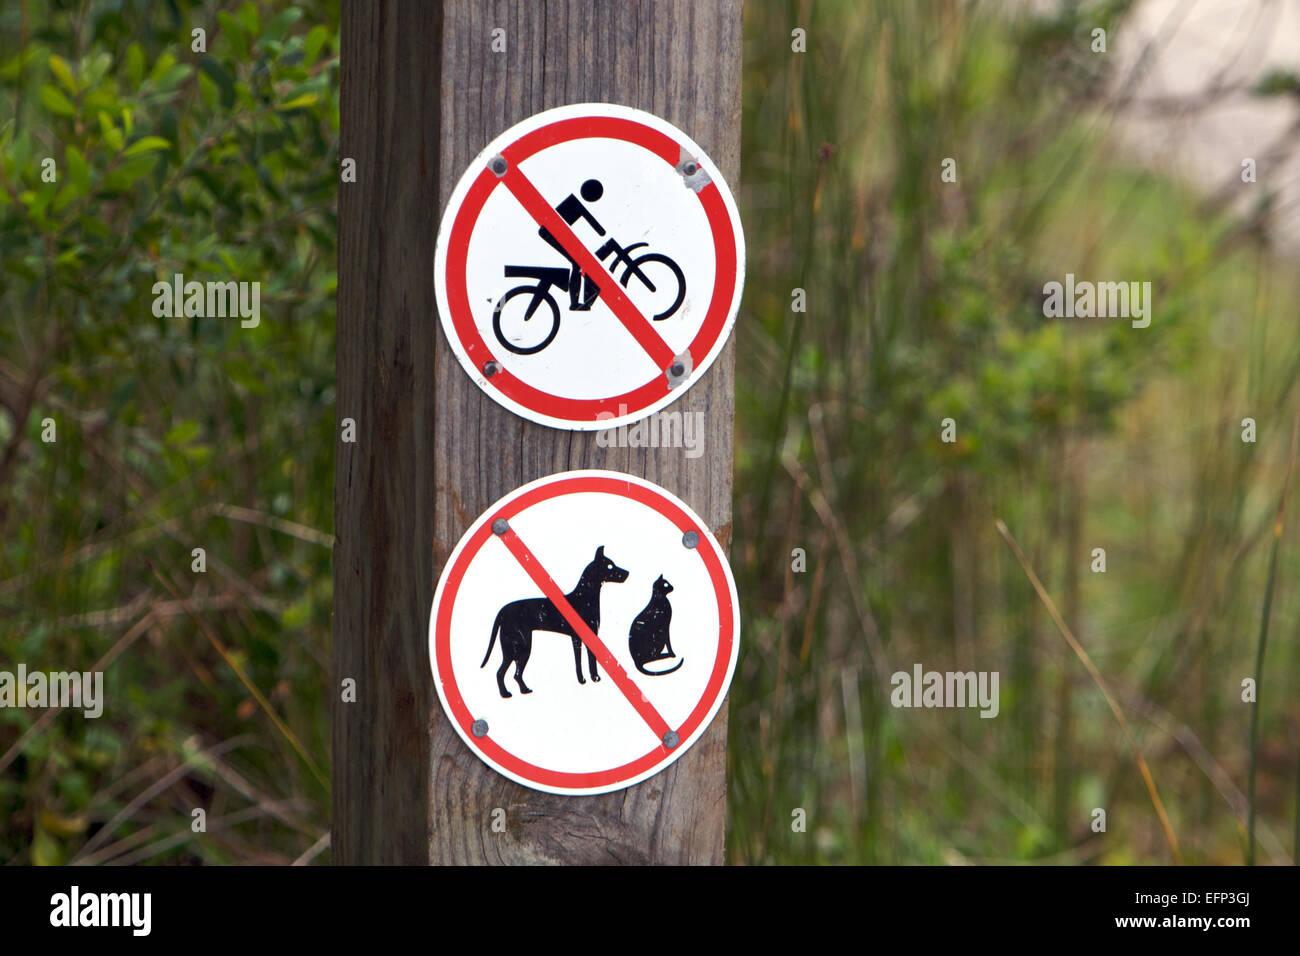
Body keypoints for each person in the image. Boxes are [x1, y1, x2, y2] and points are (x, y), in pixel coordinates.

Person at [538, 179, 605, 311]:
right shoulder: (576, 204)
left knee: (579, 263)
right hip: (549, 232)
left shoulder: (573, 202)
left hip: (551, 232)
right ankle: (575, 303)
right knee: (578, 263)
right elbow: (599, 230)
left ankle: (579, 302)